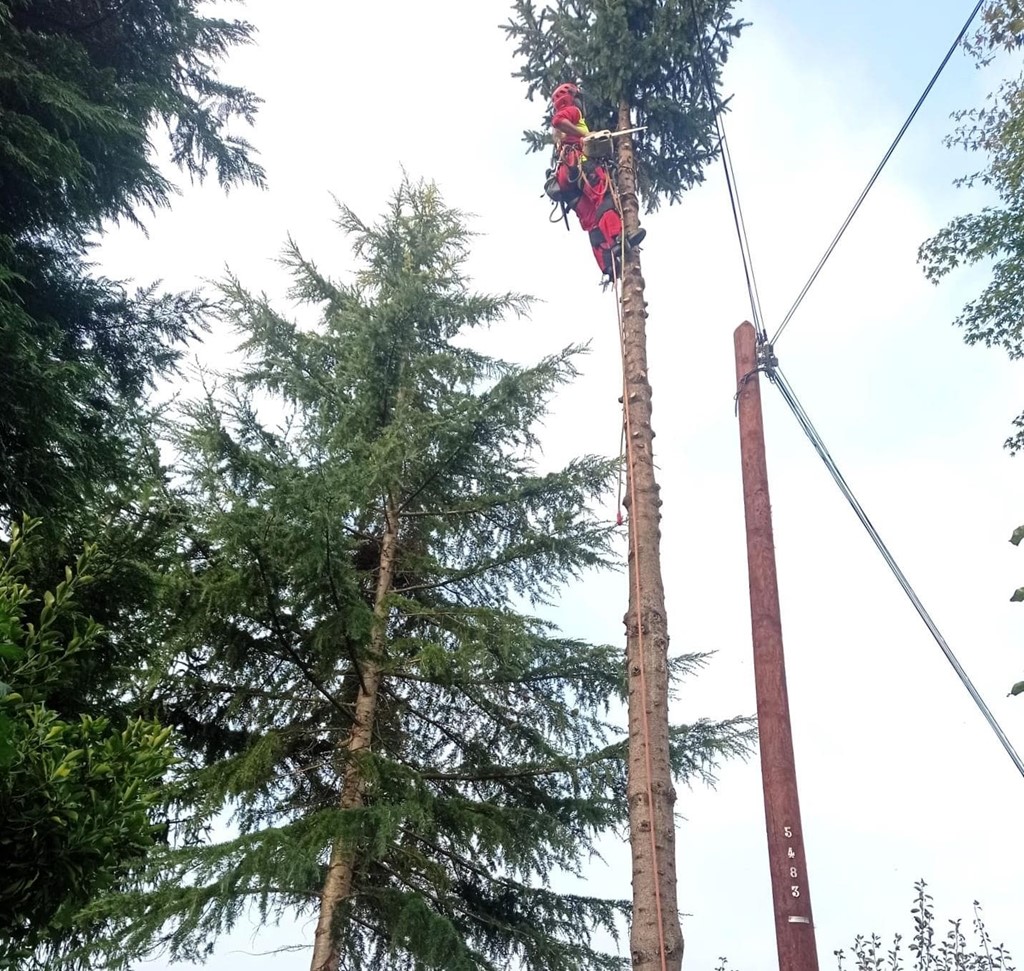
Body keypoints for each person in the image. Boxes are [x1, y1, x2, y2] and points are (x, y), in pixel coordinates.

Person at [545, 82, 645, 280]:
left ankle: (608, 263)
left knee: (592, 220)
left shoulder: (560, 138)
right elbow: (558, 120)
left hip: (568, 184)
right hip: (581, 167)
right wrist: (586, 134)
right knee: (605, 200)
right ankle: (619, 237)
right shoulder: (572, 111)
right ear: (573, 98)